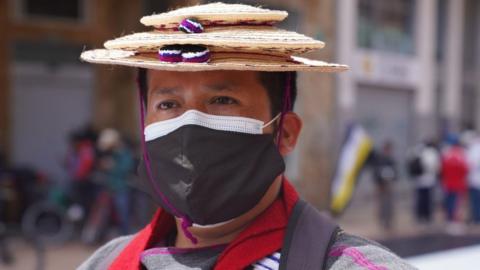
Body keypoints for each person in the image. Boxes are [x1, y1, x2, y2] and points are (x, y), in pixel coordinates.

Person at [78, 3, 414, 269]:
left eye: (222, 100)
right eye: (168, 104)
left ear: (284, 133)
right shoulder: (106, 262)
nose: (189, 123)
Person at [96, 129, 134, 235]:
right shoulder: (113, 154)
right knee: (109, 215)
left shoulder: (124, 153)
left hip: (122, 188)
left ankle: (126, 235)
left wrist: (112, 166)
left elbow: (126, 169)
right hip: (111, 188)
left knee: (123, 215)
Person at [441, 134, 468, 234]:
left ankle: (449, 221)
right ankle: (455, 222)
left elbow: (443, 169)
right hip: (458, 183)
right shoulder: (461, 154)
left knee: (449, 203)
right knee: (456, 204)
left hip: (448, 183)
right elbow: (465, 169)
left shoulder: (446, 153)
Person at [408, 140, 440, 224]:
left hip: (419, 180)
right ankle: (427, 217)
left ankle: (420, 217)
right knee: (428, 200)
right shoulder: (432, 153)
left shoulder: (417, 151)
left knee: (420, 200)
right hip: (429, 179)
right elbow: (435, 166)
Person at [372, 140, 398, 230]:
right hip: (381, 185)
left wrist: (393, 177)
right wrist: (380, 180)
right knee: (382, 204)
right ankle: (382, 222)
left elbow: (395, 172)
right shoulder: (380, 159)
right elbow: (375, 172)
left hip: (389, 184)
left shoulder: (391, 159)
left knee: (389, 204)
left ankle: (389, 222)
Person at [465, 133, 480, 224]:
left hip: (474, 180)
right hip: (474, 180)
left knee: (475, 201)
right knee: (475, 201)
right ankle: (476, 217)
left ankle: (476, 217)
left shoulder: (471, 150)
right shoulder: (472, 150)